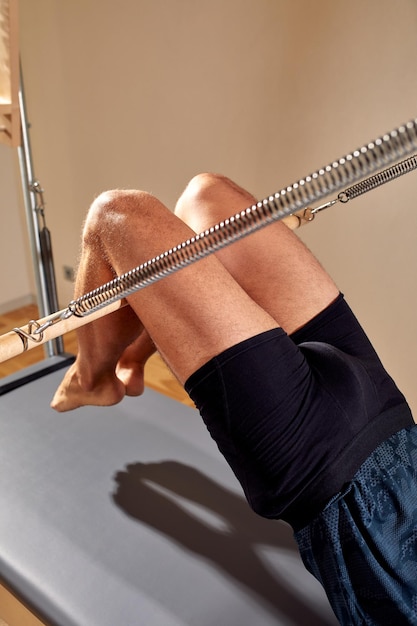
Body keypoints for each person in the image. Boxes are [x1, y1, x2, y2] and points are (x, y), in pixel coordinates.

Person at [52, 173, 416, 625]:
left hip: (341, 484)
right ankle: (131, 361)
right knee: (209, 200)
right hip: (394, 422)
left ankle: (93, 377)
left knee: (119, 216)